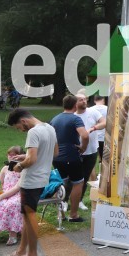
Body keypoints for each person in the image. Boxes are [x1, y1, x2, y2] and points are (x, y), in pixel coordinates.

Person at [4, 109, 58, 256]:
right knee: (27, 216)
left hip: (31, 180)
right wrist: (25, 157)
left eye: (18, 127)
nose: (21, 130)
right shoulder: (50, 128)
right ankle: (21, 251)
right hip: (43, 178)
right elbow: (55, 152)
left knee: (29, 216)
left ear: (23, 121)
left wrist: (20, 166)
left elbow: (32, 159)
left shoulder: (33, 132)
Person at [51, 95, 89, 223]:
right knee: (78, 183)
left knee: (61, 184)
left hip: (56, 157)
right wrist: (83, 148)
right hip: (71, 156)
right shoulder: (75, 119)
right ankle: (73, 215)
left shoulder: (54, 119)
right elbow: (84, 135)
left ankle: (60, 214)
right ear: (75, 106)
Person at [75, 92, 105, 211]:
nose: (84, 101)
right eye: (81, 100)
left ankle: (79, 200)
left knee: (85, 177)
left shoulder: (92, 112)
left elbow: (104, 122)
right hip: (76, 150)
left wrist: (94, 128)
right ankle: (66, 200)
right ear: (75, 102)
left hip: (91, 150)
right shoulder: (73, 115)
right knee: (73, 177)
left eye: (85, 99)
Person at [90, 95, 108, 165]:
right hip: (104, 136)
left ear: (94, 101)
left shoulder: (90, 109)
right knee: (104, 157)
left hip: (93, 136)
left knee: (93, 158)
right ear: (103, 100)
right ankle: (102, 172)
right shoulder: (107, 108)